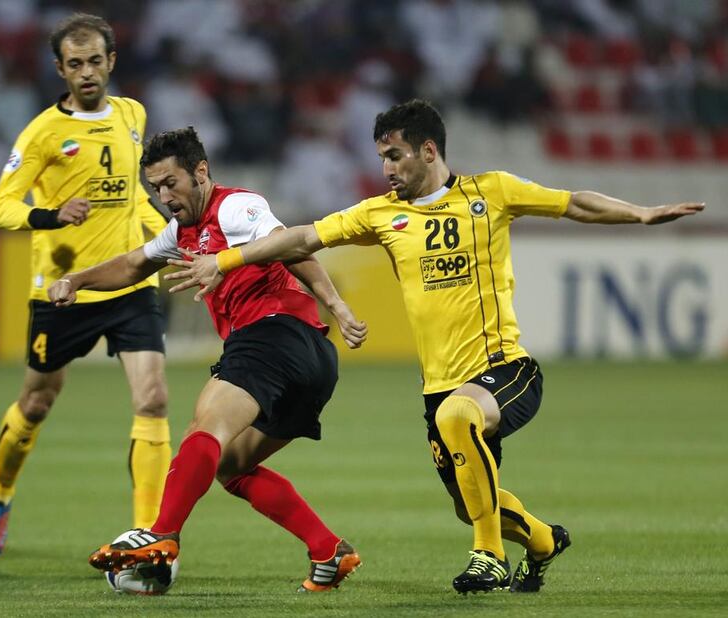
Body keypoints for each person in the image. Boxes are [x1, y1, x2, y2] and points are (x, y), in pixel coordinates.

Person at [173, 99, 705, 594]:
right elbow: (302, 237)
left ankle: (488, 557)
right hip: (441, 386)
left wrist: (638, 214)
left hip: (505, 369)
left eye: (395, 156)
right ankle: (543, 541)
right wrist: (224, 261)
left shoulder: (490, 192)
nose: (386, 168)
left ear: (428, 151)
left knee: (458, 422)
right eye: (382, 157)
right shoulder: (381, 214)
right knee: (469, 500)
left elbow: (572, 205)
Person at [47, 127, 368, 592]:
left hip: (273, 335)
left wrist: (336, 304)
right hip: (312, 362)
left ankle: (163, 534)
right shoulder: (182, 231)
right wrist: (77, 280)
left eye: (170, 183)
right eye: (155, 187)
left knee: (205, 430)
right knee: (231, 467)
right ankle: (328, 550)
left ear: (200, 173)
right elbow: (135, 263)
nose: (163, 195)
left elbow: (291, 244)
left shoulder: (235, 206)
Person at [0, 13, 172, 557]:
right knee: (37, 402)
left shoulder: (133, 115)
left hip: (129, 283)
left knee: (154, 399)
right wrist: (50, 215)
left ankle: (149, 538)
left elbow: (134, 195)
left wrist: (168, 239)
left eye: (95, 61)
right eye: (74, 63)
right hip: (62, 292)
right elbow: (0, 208)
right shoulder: (42, 133)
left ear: (111, 61)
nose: (86, 72)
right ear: (60, 69)